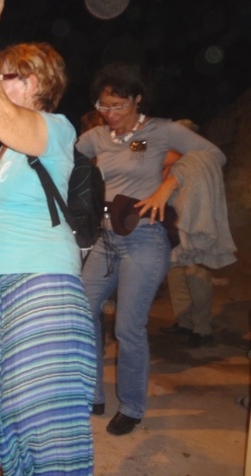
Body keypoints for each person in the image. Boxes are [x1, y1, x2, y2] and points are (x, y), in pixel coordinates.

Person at [0, 1, 96, 474]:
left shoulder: (54, 130)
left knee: (40, 410)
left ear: (33, 82)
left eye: (6, 76)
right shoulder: (7, 150)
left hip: (37, 283)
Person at [75, 62, 226, 435]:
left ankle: (132, 405)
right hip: (105, 240)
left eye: (118, 106)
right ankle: (91, 393)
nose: (110, 115)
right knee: (82, 313)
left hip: (143, 239)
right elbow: (62, 160)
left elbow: (212, 154)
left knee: (128, 327)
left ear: (136, 99)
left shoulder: (159, 131)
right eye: (103, 106)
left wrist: (169, 184)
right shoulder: (97, 138)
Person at [159, 120, 236, 348]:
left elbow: (202, 193)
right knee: (176, 275)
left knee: (197, 277)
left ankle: (202, 328)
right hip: (176, 226)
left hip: (195, 226)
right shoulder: (175, 159)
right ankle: (184, 323)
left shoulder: (202, 159)